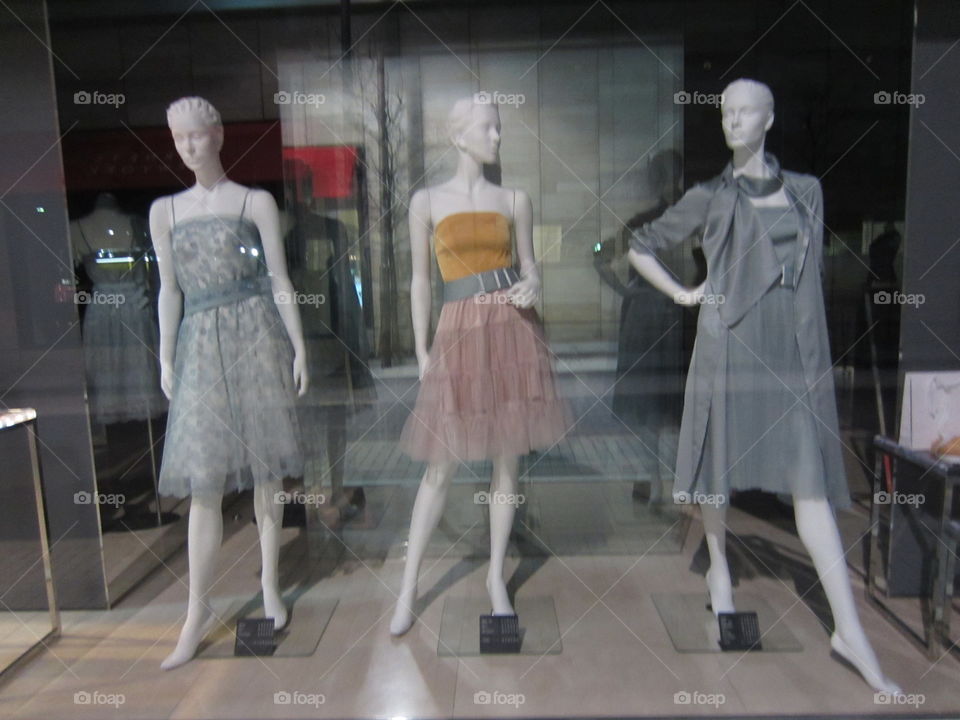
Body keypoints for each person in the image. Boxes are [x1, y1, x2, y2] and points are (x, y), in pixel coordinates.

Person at [627, 79, 900, 694]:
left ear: (770, 118)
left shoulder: (807, 192)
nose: (733, 121)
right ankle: (720, 569)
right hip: (728, 348)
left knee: (809, 487)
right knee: (719, 472)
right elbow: (641, 245)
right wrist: (685, 294)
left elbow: (808, 281)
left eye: (746, 111)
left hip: (791, 355)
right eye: (725, 112)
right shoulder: (708, 197)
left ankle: (848, 631)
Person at [390, 94, 570, 636]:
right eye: (488, 128)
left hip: (511, 328)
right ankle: (408, 588)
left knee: (507, 460)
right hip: (459, 332)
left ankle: (496, 576)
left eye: (498, 128)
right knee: (440, 463)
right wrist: (421, 349)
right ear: (459, 135)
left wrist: (534, 281)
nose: (497, 137)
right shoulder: (425, 202)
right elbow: (421, 280)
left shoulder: (515, 198)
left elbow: (531, 268)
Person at [149, 97, 308, 669]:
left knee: (266, 468)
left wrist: (298, 342)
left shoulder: (254, 201)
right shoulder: (164, 211)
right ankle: (196, 611)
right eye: (178, 138)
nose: (189, 146)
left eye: (197, 135)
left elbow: (279, 276)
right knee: (205, 484)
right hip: (199, 342)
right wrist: (166, 355)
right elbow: (170, 288)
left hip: (255, 334)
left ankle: (268, 587)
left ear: (218, 134)